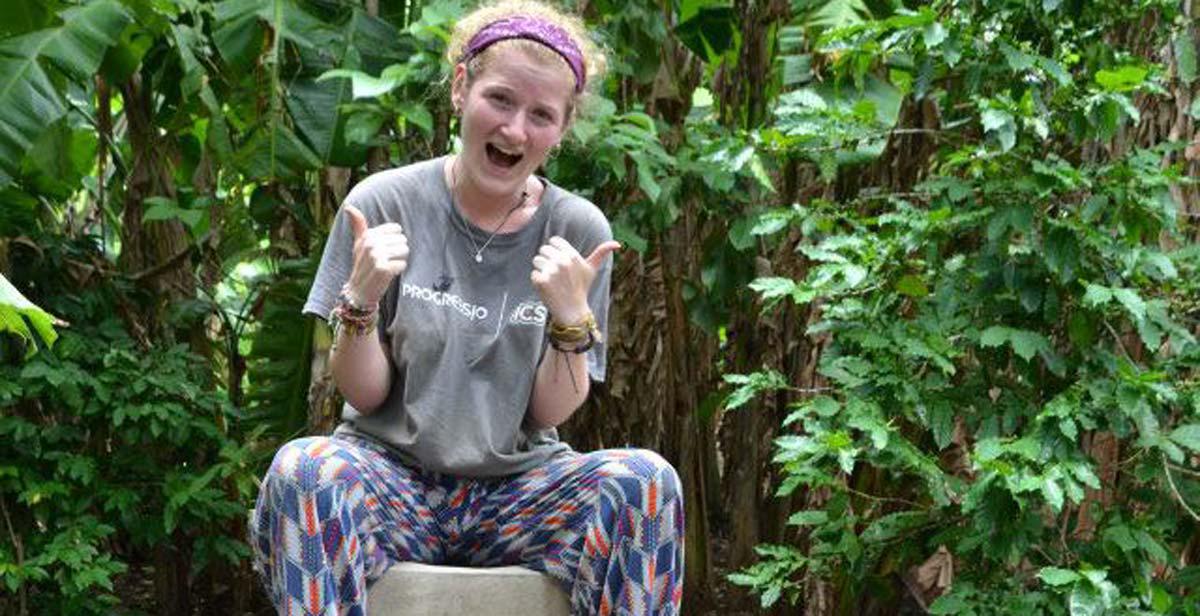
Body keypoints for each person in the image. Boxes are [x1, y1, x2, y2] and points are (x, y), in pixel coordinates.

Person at [249, 1, 685, 614]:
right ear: (461, 89)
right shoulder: (384, 202)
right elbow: (365, 395)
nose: (514, 130)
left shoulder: (577, 229)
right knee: (303, 467)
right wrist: (361, 302)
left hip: (518, 491)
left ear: (561, 130)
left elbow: (549, 409)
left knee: (647, 481)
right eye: (500, 101)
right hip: (391, 478)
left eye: (541, 115)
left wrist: (569, 323)